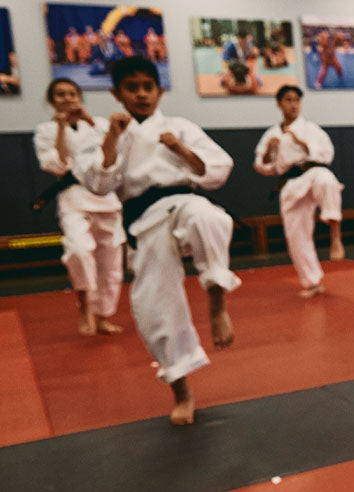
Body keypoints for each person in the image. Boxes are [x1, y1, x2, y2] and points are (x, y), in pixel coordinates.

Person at [74, 57, 239, 426]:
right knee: (154, 307)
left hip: (182, 202)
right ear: (117, 93)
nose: (142, 94)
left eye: (148, 86)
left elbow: (219, 170)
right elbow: (99, 185)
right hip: (143, 223)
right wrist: (112, 139)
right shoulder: (105, 133)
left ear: (159, 90)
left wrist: (179, 149)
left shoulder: (180, 127)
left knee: (210, 216)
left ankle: (216, 298)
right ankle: (182, 391)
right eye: (132, 87)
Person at [33, 78, 124, 336]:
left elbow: (115, 149)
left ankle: (104, 315)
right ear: (51, 100)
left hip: (106, 198)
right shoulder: (45, 130)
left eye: (72, 94)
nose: (68, 99)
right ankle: (84, 306)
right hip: (74, 197)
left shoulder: (99, 124)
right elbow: (58, 164)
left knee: (110, 262)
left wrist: (89, 121)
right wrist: (61, 128)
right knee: (79, 250)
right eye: (60, 94)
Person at [254, 85, 344, 297]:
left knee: (327, 180)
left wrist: (300, 142)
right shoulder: (271, 134)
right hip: (290, 183)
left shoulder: (310, 129)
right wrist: (270, 148)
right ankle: (312, 282)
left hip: (311, 173)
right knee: (296, 235)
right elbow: (262, 165)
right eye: (288, 100)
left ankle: (335, 235)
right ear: (279, 104)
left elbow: (327, 154)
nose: (293, 104)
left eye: (296, 100)